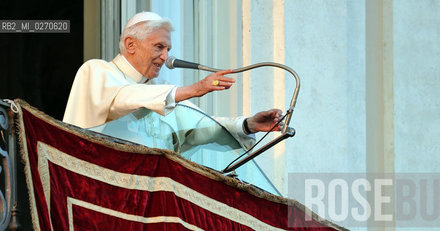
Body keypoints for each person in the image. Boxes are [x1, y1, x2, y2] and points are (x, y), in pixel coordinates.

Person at [63, 11, 282, 149]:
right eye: (159, 47)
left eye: (168, 49)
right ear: (131, 45)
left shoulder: (159, 93)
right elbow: (123, 97)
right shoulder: (97, 71)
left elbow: (202, 126)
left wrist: (248, 125)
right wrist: (192, 89)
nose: (166, 57)